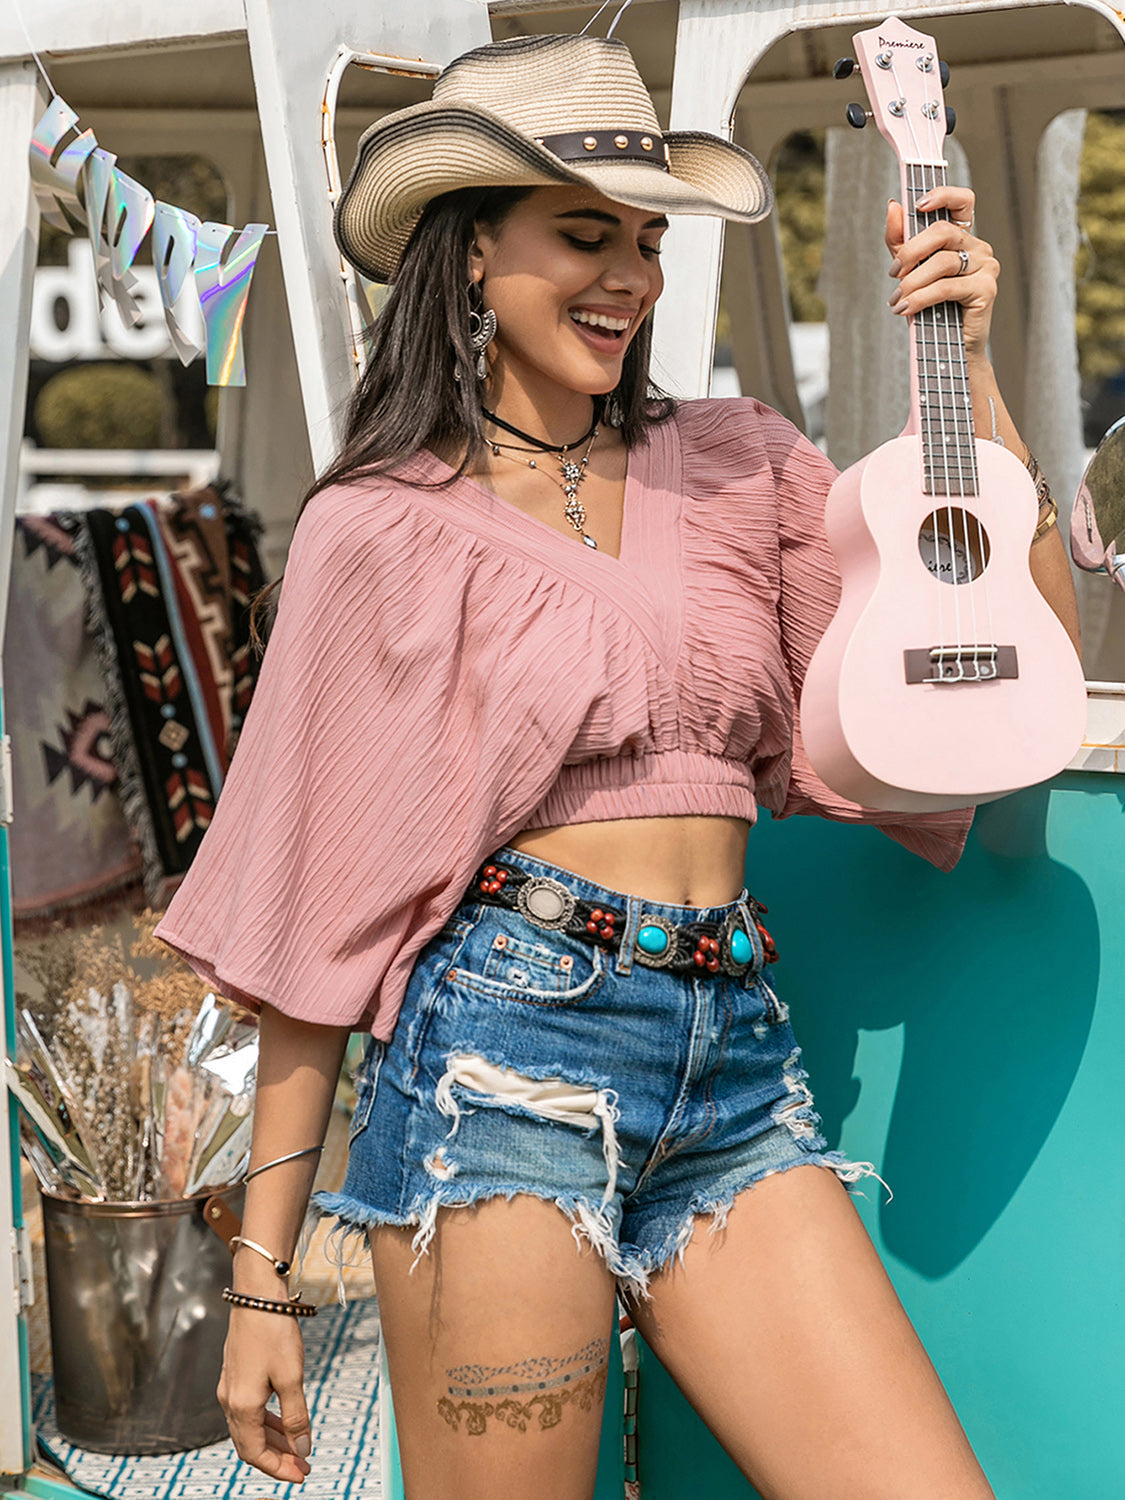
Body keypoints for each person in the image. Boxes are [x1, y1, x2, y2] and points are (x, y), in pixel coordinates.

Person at [155, 31, 1080, 1500]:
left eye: (644, 240)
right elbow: (308, 919)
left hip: (736, 1053)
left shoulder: (739, 462)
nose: (629, 275)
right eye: (584, 234)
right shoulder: (380, 527)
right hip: (505, 1059)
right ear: (465, 254)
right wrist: (262, 1283)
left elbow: (1005, 650)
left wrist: (965, 364)